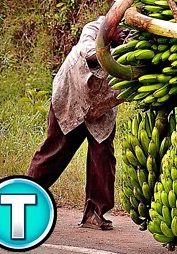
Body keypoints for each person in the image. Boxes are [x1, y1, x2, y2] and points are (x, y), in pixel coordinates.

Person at [27, 16, 127, 230]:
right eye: (122, 25)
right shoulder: (95, 28)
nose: (125, 31)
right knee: (55, 151)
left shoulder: (136, 40)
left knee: (103, 156)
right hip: (73, 95)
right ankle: (24, 198)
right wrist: (118, 47)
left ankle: (95, 213)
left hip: (103, 103)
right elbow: (90, 54)